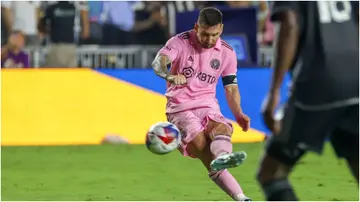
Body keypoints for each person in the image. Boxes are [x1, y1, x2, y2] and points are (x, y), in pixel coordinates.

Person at [258, 1, 359, 201]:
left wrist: (274, 92)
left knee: (271, 173)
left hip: (318, 82)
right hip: (356, 77)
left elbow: (289, 24)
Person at [151, 7, 251, 201]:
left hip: (207, 105)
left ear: (221, 29)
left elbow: (231, 88)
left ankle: (240, 192)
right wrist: (170, 75)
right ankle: (235, 189)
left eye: (215, 35)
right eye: (205, 34)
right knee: (203, 147)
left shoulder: (227, 53)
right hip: (180, 108)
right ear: (197, 26)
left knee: (223, 128)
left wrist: (238, 113)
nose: (209, 39)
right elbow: (158, 63)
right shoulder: (179, 42)